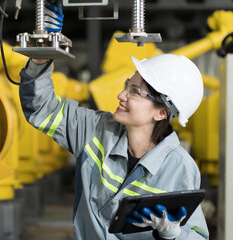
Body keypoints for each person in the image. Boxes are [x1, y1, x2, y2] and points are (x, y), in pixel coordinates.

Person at [18, 1, 209, 239]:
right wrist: (40, 56)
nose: (121, 95)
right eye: (127, 86)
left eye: (135, 92)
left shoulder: (179, 168)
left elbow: (198, 236)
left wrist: (174, 235)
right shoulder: (95, 130)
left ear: (161, 112)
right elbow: (42, 109)